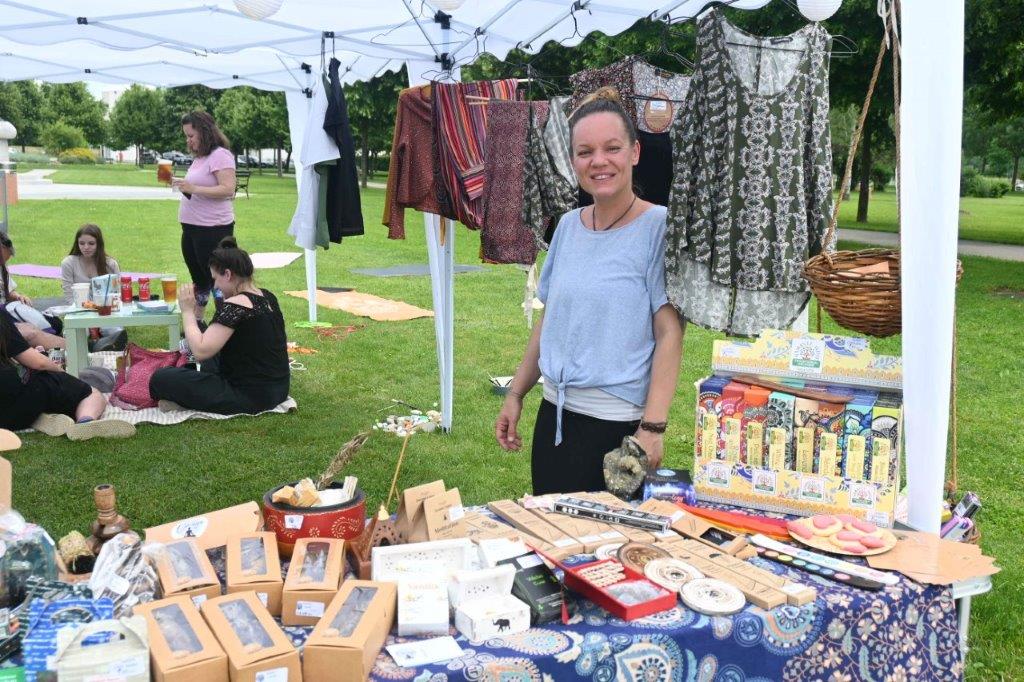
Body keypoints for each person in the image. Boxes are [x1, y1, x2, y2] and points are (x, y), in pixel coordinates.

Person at [495, 88, 684, 496]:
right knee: (550, 532)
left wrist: (653, 428)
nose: (599, 161)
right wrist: (516, 393)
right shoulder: (567, 227)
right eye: (585, 152)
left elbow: (670, 333)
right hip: (554, 421)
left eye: (612, 148)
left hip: (617, 432)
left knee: (606, 538)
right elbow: (550, 319)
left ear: (635, 152)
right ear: (574, 160)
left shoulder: (658, 228)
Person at [149, 237, 289, 415]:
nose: (215, 285)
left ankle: (189, 396)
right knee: (208, 344)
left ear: (228, 275)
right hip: (278, 389)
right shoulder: (268, 296)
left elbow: (200, 351)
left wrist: (187, 312)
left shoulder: (234, 306)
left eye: (215, 278)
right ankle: (194, 391)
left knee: (160, 378)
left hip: (249, 395)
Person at [0, 309, 135, 440]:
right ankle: (85, 422)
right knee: (90, 393)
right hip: (12, 405)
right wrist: (63, 375)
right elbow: (39, 363)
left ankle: (39, 416)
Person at [172, 111, 237, 322]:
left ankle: (225, 322)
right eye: (186, 136)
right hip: (191, 229)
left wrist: (194, 188)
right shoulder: (200, 158)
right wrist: (184, 186)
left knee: (218, 281)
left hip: (212, 230)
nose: (188, 140)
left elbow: (228, 189)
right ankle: (198, 322)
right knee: (199, 279)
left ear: (204, 132)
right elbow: (198, 188)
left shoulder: (220, 155)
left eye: (191, 135)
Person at [60, 224, 126, 352]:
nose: (86, 247)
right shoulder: (68, 263)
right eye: (82, 243)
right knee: (75, 335)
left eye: (91, 243)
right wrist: (88, 318)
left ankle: (102, 344)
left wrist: (100, 314)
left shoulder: (110, 264)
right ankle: (93, 343)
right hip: (79, 311)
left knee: (116, 332)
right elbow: (69, 297)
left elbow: (117, 295)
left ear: (98, 244)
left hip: (105, 311)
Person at [1, 233, 65, 350]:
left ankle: (78, 348)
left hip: (8, 310)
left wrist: (18, 296)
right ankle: (79, 349)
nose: (2, 264)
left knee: (55, 323)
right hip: (4, 317)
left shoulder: (2, 269)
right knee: (32, 332)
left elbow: (8, 292)